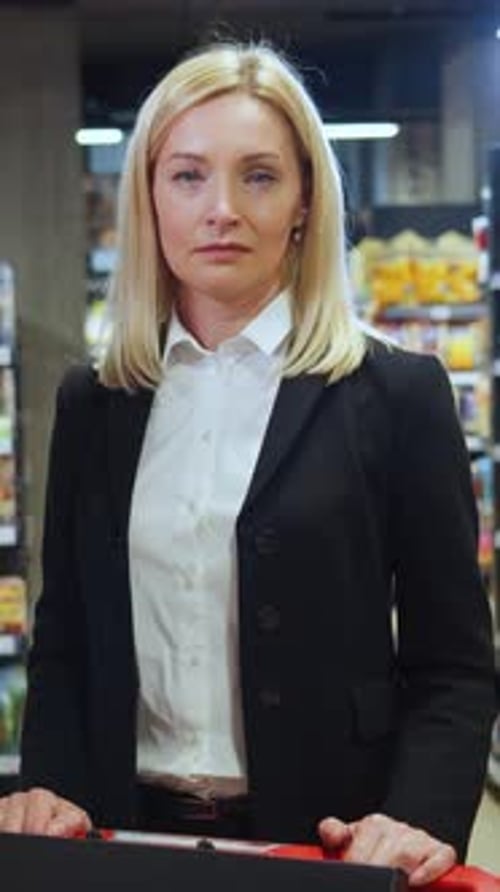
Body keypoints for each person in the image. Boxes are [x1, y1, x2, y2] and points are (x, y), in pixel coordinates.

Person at [0, 42, 495, 886]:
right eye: (188, 176)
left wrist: (416, 817)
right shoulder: (97, 401)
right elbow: (68, 641)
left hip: (330, 839)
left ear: (305, 200)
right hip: (122, 837)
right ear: (149, 199)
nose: (221, 208)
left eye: (259, 176)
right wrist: (46, 786)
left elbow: (452, 661)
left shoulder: (395, 394)